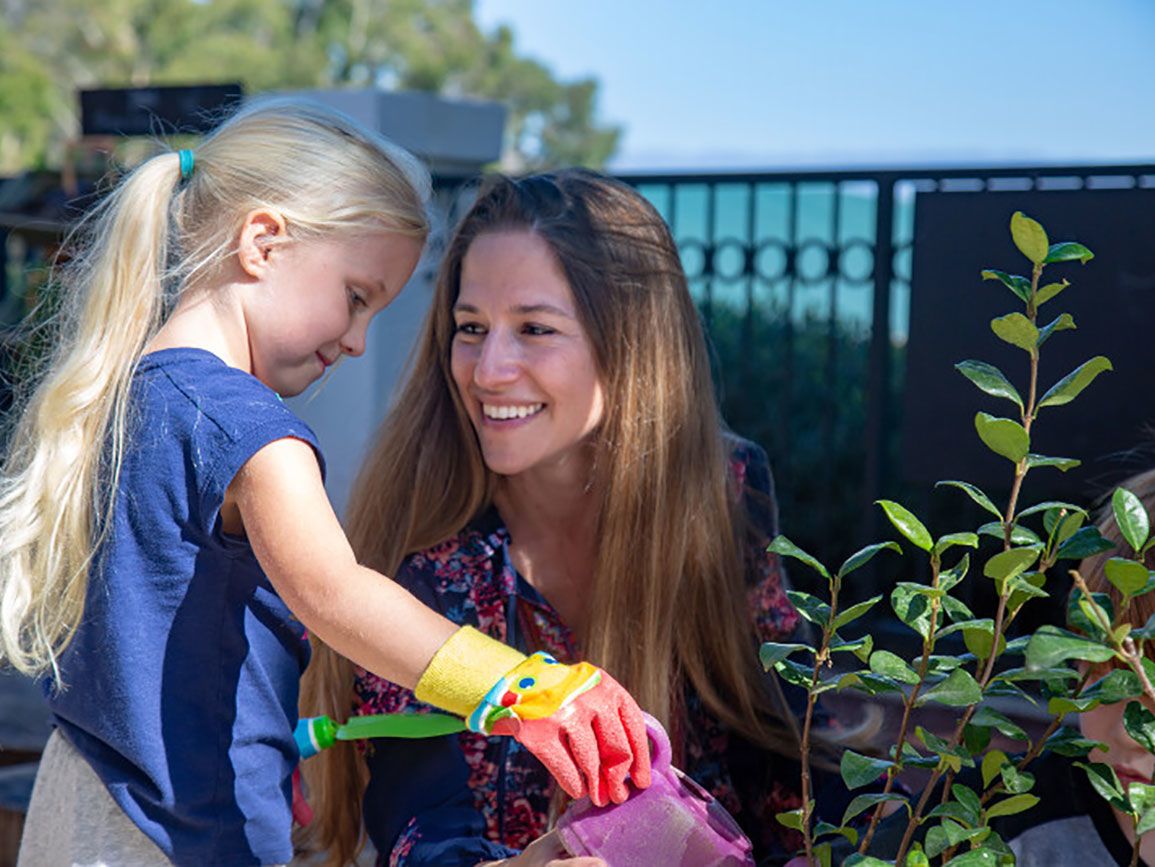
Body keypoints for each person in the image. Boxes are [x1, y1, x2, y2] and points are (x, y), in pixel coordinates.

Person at [0, 102, 649, 867]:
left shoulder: (125, 395)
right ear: (263, 242)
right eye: (356, 295)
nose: (358, 339)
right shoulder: (252, 432)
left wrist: (266, 745)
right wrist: (519, 686)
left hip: (86, 798)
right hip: (180, 837)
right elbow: (336, 594)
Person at [297, 170, 832, 867]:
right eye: (470, 328)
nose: (488, 369)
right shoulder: (425, 550)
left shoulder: (724, 489)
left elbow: (784, 748)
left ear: (631, 342)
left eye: (534, 328)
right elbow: (422, 827)